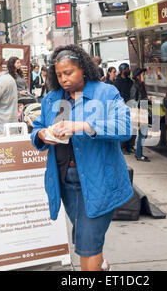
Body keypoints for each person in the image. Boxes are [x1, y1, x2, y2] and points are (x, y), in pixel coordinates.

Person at [30, 45, 133, 271]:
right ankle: (101, 264)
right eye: (59, 75)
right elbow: (37, 127)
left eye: (69, 73)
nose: (64, 79)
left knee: (87, 245)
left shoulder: (105, 93)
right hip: (65, 181)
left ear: (84, 70)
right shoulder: (52, 99)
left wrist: (83, 125)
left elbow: (125, 127)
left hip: (99, 181)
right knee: (85, 236)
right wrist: (40, 134)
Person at [130, 67, 150, 162]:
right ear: (138, 76)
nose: (144, 76)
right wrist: (146, 99)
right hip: (139, 113)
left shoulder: (140, 86)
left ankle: (139, 153)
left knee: (143, 134)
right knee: (142, 134)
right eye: (143, 74)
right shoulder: (135, 87)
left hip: (142, 112)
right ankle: (139, 155)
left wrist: (147, 98)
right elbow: (134, 101)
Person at [114, 63, 135, 154]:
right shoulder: (117, 82)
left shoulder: (130, 81)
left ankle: (130, 146)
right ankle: (123, 147)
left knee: (132, 127)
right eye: (127, 69)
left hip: (130, 106)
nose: (128, 70)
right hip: (121, 107)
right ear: (123, 70)